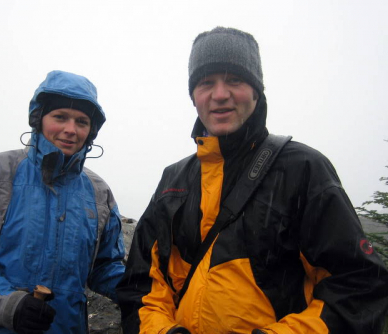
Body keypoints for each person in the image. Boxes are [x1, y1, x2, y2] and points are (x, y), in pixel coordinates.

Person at [116, 27, 388, 333]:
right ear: (194, 96)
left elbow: (358, 285)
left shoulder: (303, 168)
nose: (220, 95)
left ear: (256, 91)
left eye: (235, 80)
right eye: (206, 83)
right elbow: (141, 288)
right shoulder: (173, 181)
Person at [0, 70, 125, 333]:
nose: (70, 130)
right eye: (60, 117)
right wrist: (10, 305)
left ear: (91, 130)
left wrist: (142, 293)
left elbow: (105, 267)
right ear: (38, 119)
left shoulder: (99, 194)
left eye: (82, 121)